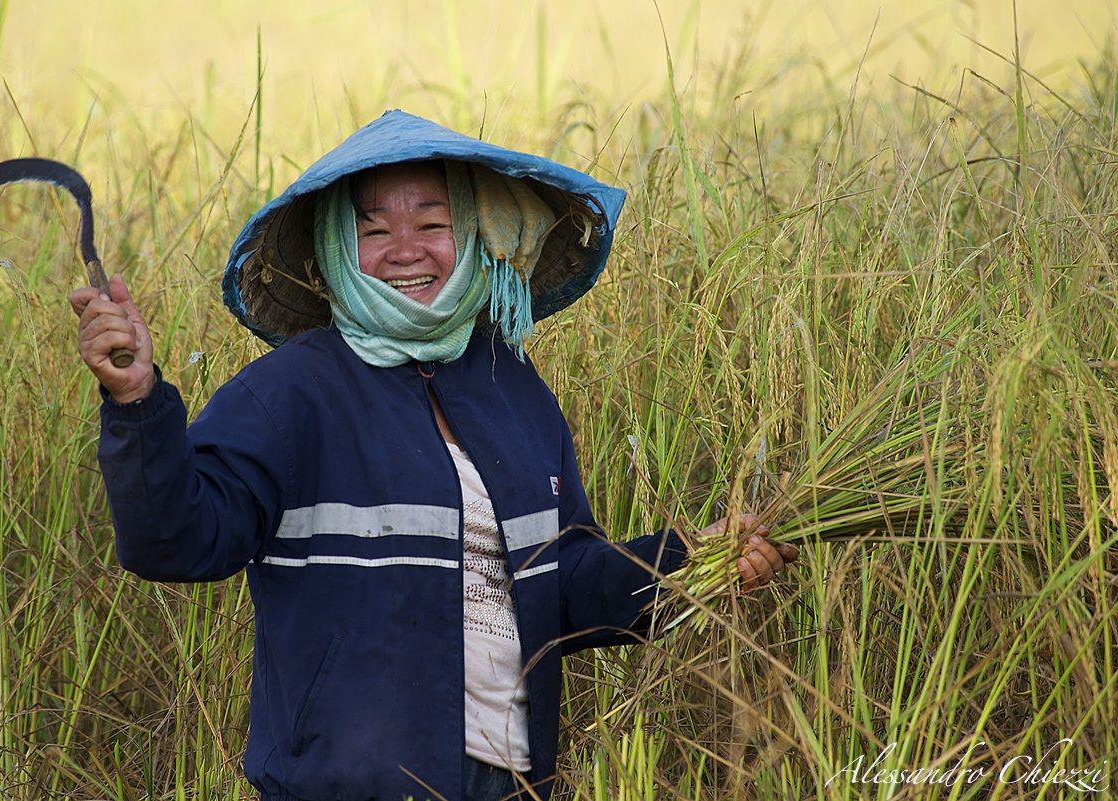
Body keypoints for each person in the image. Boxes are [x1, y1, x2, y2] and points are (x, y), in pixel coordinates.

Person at [69, 110, 798, 801]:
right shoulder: (290, 393)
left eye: (432, 222)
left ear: (475, 234)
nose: (406, 248)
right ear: (333, 246)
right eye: (374, 228)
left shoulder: (509, 386)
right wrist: (138, 403)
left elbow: (564, 584)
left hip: (507, 780)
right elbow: (177, 540)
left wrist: (692, 562)